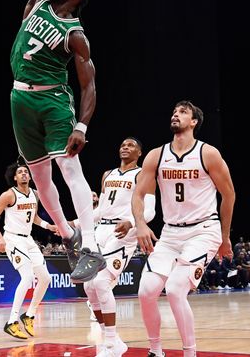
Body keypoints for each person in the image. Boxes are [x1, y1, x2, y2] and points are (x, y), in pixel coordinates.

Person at [9, 0, 103, 283]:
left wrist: (82, 125)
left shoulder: (75, 32)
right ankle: (68, 235)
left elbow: (90, 82)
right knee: (41, 179)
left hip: (52, 102)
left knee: (69, 168)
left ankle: (93, 247)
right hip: (19, 98)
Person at [133, 101, 236, 357]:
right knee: (146, 291)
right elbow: (138, 194)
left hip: (203, 230)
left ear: (194, 122)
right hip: (170, 233)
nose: (175, 114)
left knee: (177, 289)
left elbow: (229, 195)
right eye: (174, 111)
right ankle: (156, 350)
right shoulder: (156, 155)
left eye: (182, 112)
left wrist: (225, 237)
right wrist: (141, 224)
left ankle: (190, 353)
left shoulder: (207, 153)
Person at [86, 137, 156, 357]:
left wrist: (133, 222)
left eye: (131, 145)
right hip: (101, 231)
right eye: (123, 144)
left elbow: (151, 211)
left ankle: (109, 344)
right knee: (89, 288)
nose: (125, 147)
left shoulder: (144, 175)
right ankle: (114, 340)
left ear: (140, 153)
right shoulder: (108, 174)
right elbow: (100, 211)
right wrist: (76, 222)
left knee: (101, 281)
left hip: (124, 232)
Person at [0, 162, 57, 340]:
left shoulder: (35, 194)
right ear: (15, 178)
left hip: (28, 240)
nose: (24, 174)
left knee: (46, 278)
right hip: (12, 238)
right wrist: (0, 238)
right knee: (26, 277)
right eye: (20, 172)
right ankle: (12, 322)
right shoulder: (8, 195)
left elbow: (33, 217)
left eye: (26, 171)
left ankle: (29, 315)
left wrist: (47, 225)